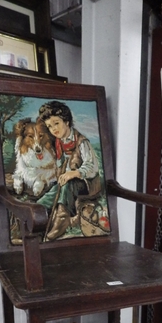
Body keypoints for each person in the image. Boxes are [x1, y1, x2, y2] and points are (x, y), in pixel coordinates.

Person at [37, 100, 101, 241]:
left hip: (86, 184)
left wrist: (75, 173)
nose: (53, 129)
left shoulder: (81, 142)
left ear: (66, 122)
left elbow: (92, 167)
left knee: (67, 186)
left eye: (56, 123)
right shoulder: (59, 143)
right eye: (49, 126)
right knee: (47, 197)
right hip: (67, 181)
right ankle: (39, 222)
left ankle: (62, 219)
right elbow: (61, 166)